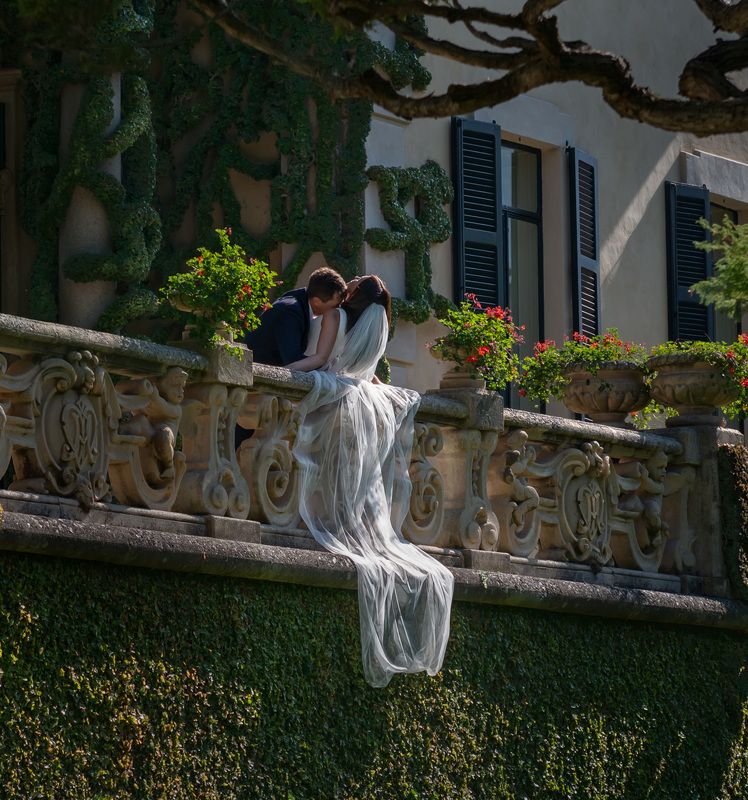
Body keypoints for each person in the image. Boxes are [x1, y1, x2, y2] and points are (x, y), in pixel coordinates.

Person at [290, 275, 454, 687]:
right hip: (363, 399)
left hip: (337, 398)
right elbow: (368, 372)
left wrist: (279, 370)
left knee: (322, 469)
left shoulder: (335, 317)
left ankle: (332, 522)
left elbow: (322, 362)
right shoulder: (379, 323)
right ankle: (348, 523)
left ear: (350, 297)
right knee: (361, 484)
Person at [244, 266, 346, 366]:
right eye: (335, 306)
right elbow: (293, 361)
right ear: (317, 301)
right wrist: (325, 364)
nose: (337, 310)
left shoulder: (296, 302)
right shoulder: (290, 312)